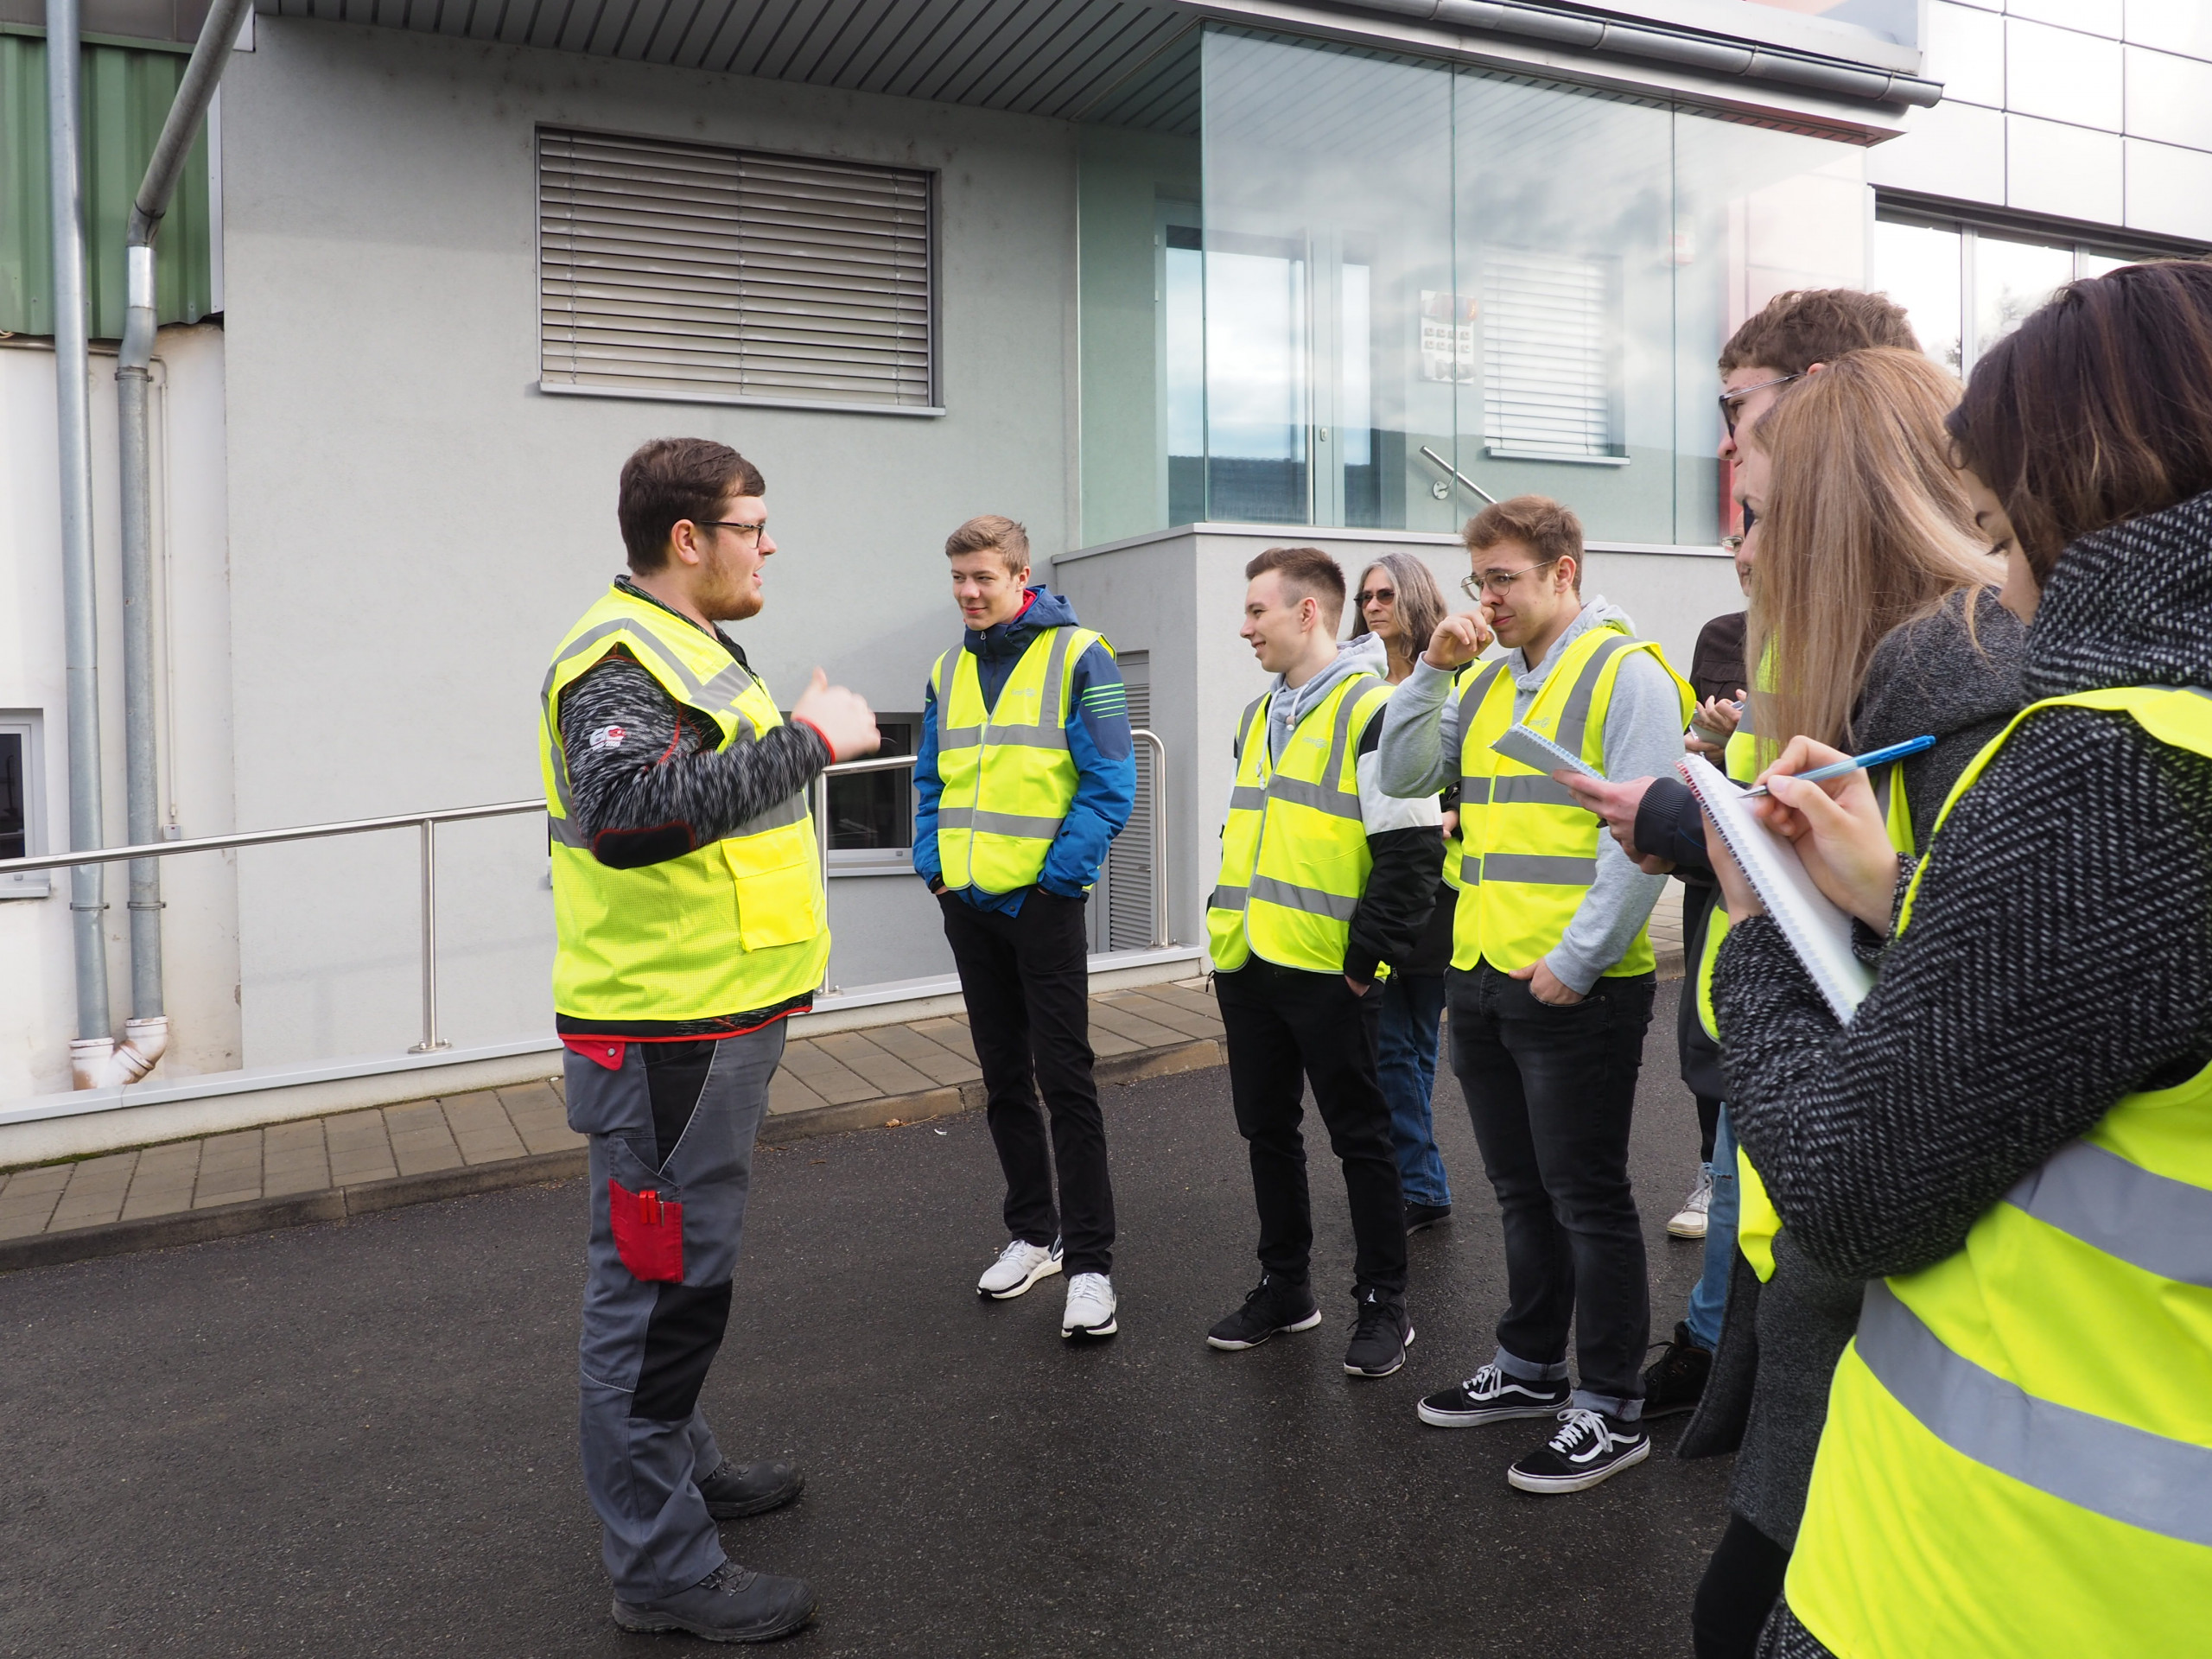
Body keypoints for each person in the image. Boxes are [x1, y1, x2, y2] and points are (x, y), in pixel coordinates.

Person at [1704, 260, 2212, 1657]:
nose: (1993, 577)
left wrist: (1758, 933)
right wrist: (1901, 886)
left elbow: (1860, 1196)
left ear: (2074, 491)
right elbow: (2125, 1009)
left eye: (1996, 522)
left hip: (1990, 1582)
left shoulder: (2116, 764)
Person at [543, 437, 879, 1643]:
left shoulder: (683, 648)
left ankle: (681, 1472)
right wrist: (809, 739)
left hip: (705, 1024)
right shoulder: (622, 657)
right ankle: (660, 1568)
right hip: (663, 1039)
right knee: (655, 1295)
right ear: (689, 540)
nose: (769, 544)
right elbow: (630, 815)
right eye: (755, 524)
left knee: (673, 1275)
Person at [1378, 495, 1693, 1493]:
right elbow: (1400, 770)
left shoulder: (1624, 673)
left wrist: (1578, 962)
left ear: (1564, 571)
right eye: (1478, 582)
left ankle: (1608, 1407)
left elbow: (1645, 839)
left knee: (1587, 1201)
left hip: (1573, 990)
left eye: (1504, 579)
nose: (1487, 599)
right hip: (1481, 974)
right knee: (1519, 1196)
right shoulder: (1484, 678)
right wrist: (1432, 668)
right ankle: (1527, 1368)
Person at [1204, 546, 1441, 1377]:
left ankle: (1385, 1304)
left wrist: (1363, 963)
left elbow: (1412, 855)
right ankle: (1286, 1288)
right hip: (1249, 961)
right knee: (1267, 1131)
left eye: (1256, 612)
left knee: (1362, 1141)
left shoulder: (1374, 709)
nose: (1244, 627)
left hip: (1329, 971)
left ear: (1308, 613)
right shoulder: (1256, 713)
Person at [912, 515, 1135, 1338]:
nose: (970, 593)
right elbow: (930, 776)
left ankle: (1090, 1266)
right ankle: (1032, 1234)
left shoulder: (1082, 655)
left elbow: (1112, 780)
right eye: (959, 580)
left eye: (984, 579)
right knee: (1003, 1079)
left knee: (1065, 1080)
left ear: (1021, 575)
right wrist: (933, 868)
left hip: (1041, 906)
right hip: (967, 905)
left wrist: (1055, 882)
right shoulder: (946, 667)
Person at [1350, 552, 1457, 1233]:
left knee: (1401, 1046)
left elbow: (1481, 761)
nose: (1372, 605)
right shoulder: (1357, 683)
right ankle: (1422, 1181)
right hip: (1386, 877)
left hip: (1436, 887)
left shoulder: (1454, 674)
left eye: (1386, 593)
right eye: (1364, 596)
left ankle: (1418, 1186)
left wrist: (1457, 810)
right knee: (1405, 1045)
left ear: (1414, 596)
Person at [1667, 534, 1754, 1246]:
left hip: (1782, 859)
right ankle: (1709, 1168)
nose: (1741, 551)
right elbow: (1694, 737)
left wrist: (1744, 737)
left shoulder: (1833, 633)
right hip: (1715, 857)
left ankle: (1742, 1176)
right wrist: (1706, 734)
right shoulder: (1720, 635)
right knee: (1705, 1027)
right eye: (1733, 538)